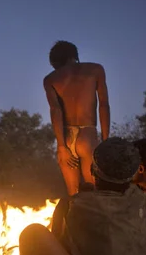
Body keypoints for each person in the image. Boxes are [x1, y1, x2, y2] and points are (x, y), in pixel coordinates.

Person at [43, 40, 110, 196]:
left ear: (56, 61)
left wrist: (61, 147)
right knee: (93, 191)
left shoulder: (50, 79)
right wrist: (106, 141)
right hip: (87, 136)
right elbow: (104, 105)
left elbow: (55, 111)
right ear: (74, 55)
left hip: (65, 137)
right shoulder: (95, 70)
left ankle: (73, 220)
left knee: (73, 194)